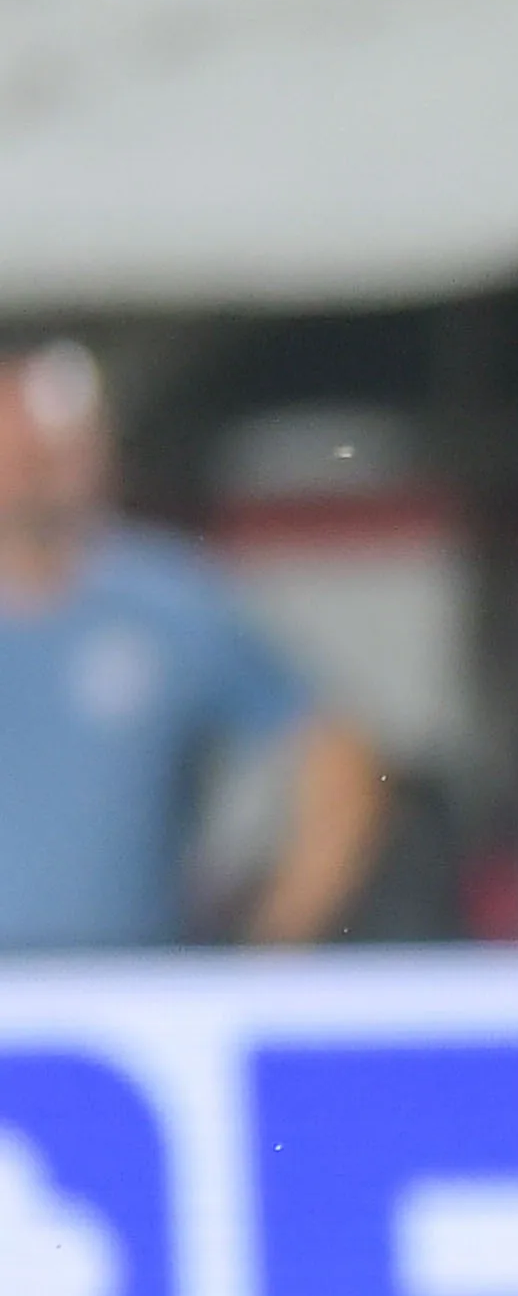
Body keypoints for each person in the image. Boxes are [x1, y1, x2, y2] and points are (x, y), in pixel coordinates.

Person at [0, 343, 384, 954]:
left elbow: (335, 757)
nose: (27, 469)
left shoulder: (167, 605)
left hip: (125, 992)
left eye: (44, 451)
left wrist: (277, 939)